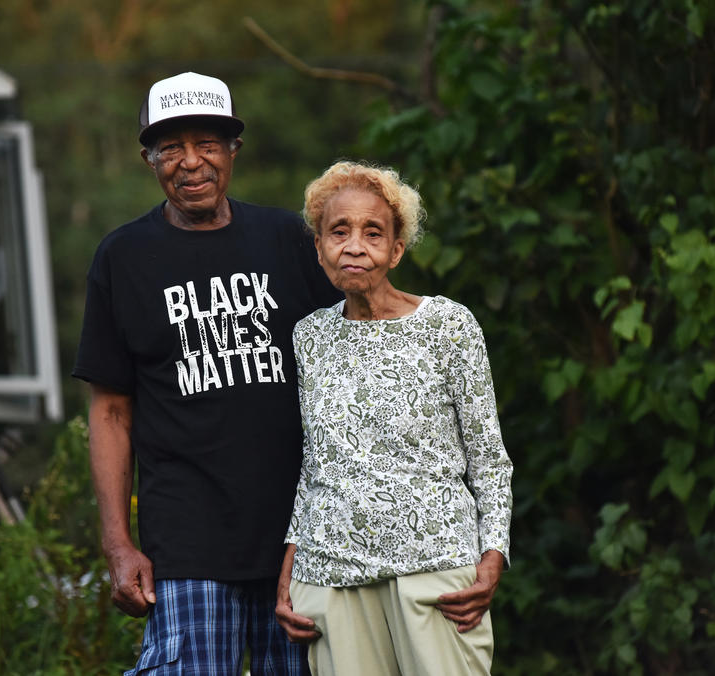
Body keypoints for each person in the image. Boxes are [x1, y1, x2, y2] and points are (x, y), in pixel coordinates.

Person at [72, 72, 341, 675]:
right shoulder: (123, 258)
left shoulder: (289, 240)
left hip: (303, 536)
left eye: (207, 143)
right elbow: (111, 410)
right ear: (149, 158)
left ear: (233, 151)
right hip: (187, 540)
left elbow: (350, 361)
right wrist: (118, 545)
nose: (190, 163)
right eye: (171, 147)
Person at [274, 161, 513, 676]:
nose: (354, 246)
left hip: (437, 574)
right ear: (319, 248)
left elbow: (489, 460)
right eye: (339, 231)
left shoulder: (447, 325)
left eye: (372, 232)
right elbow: (317, 463)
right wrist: (291, 570)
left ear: (397, 250)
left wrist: (493, 557)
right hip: (331, 579)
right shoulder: (309, 337)